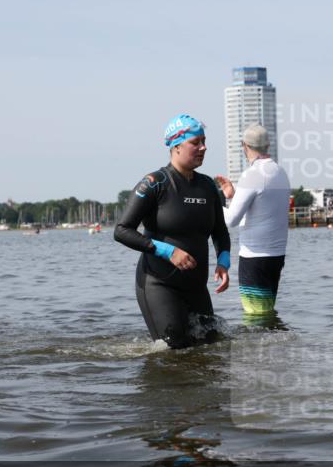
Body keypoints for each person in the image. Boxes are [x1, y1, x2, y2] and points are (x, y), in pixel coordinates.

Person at [114, 114, 230, 348]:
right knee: (173, 350)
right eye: (195, 142)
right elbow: (121, 230)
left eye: (204, 141)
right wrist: (168, 252)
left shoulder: (207, 186)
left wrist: (223, 262)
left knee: (212, 347)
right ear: (176, 146)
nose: (203, 147)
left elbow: (220, 231)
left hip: (196, 285)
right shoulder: (155, 183)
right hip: (158, 283)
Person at [215, 124, 291, 316]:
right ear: (268, 145)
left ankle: (258, 347)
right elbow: (262, 209)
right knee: (266, 311)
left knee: (255, 315)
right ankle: (275, 346)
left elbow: (231, 219)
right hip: (276, 255)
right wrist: (232, 196)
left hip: (254, 257)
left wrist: (212, 204)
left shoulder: (252, 174)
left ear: (244, 145)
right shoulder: (280, 173)